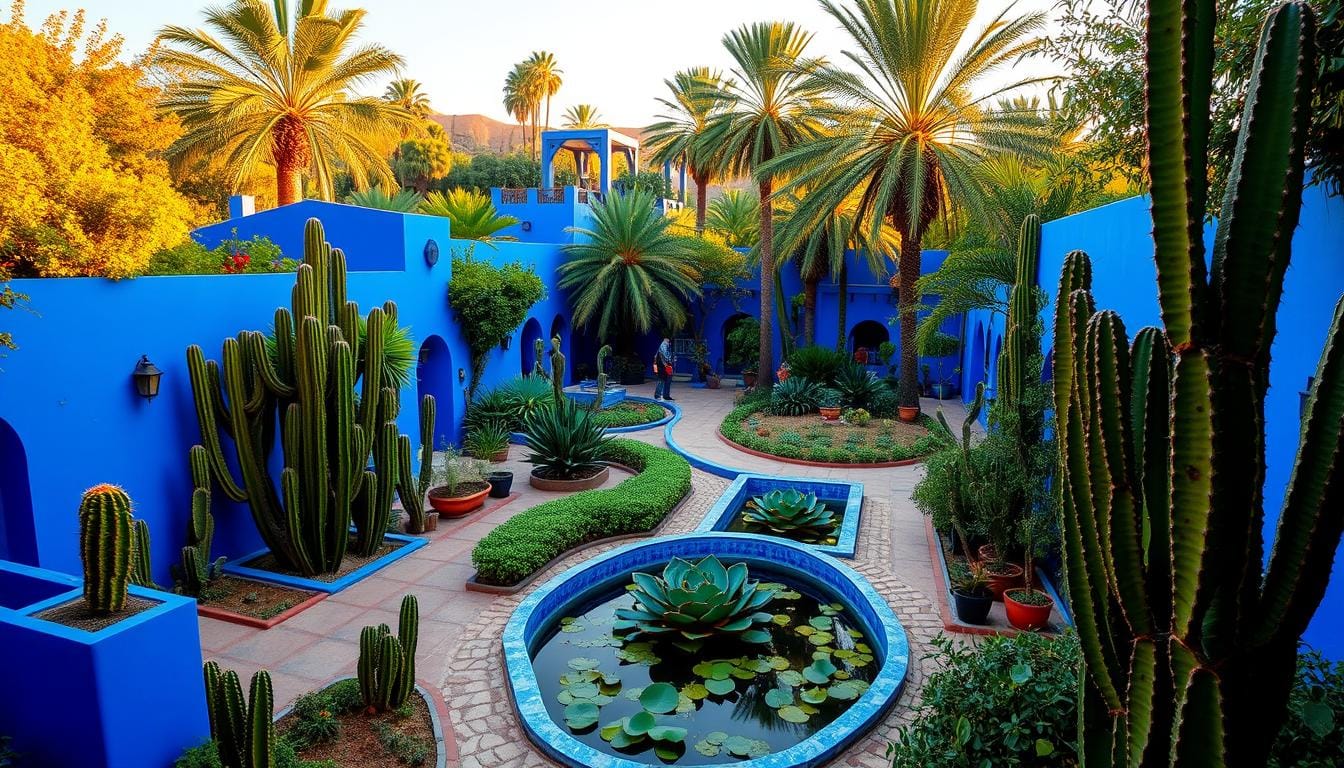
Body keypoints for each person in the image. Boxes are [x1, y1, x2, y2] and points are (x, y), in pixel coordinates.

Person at [653, 337, 675, 401]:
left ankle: (666, 396)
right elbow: (665, 357)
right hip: (662, 367)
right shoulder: (663, 346)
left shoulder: (668, 346)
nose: (668, 342)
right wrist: (670, 361)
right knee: (661, 381)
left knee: (668, 381)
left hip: (668, 366)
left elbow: (669, 356)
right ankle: (657, 395)